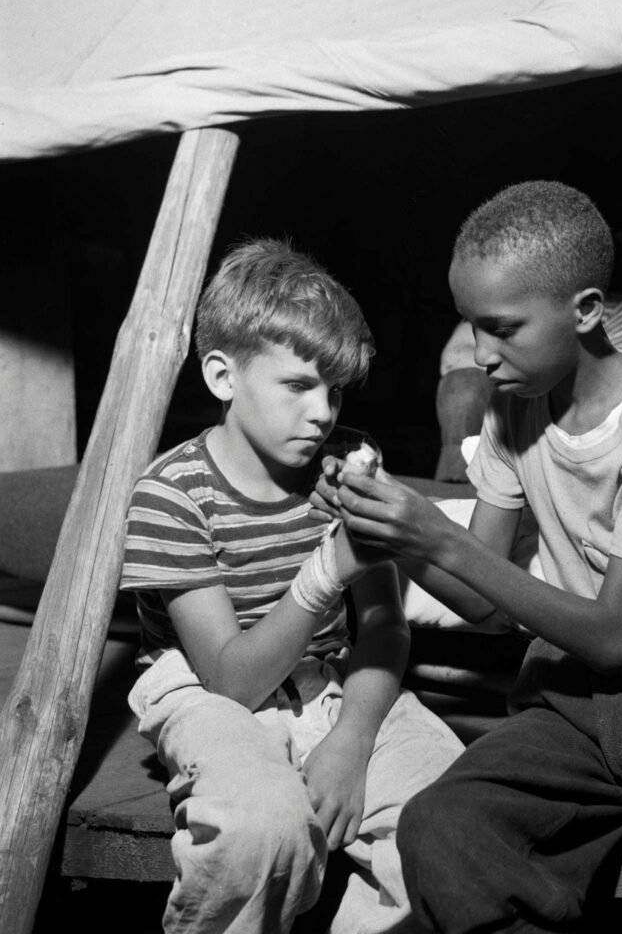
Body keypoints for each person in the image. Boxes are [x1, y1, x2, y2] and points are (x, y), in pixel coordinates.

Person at [311, 182, 622, 934]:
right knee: (440, 825)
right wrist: (393, 535)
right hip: (564, 690)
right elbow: (483, 599)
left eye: (502, 328)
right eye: (471, 328)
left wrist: (435, 536)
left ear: (583, 312)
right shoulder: (513, 406)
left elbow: (617, 636)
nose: (481, 355)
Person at [120, 239, 464, 934]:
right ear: (222, 376)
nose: (322, 413)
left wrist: (351, 738)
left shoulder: (342, 466)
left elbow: (385, 627)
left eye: (334, 390)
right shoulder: (173, 494)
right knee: (260, 830)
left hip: (333, 681)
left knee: (454, 823)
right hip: (204, 688)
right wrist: (325, 569)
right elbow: (230, 683)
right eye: (298, 386)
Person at [434, 297, 622, 482]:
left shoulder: (617, 308)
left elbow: (621, 373)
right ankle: (455, 485)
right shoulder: (499, 303)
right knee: (464, 386)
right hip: (516, 394)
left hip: (578, 398)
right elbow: (452, 360)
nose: (482, 356)